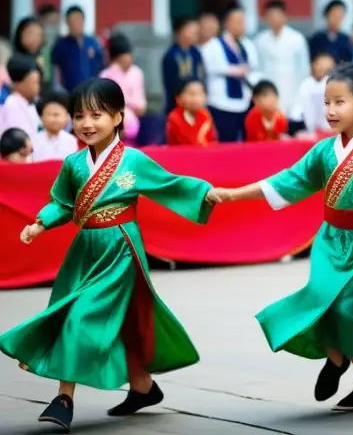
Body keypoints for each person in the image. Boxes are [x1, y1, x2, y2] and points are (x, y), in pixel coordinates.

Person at [0, 78, 222, 432]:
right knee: (121, 322)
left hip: (120, 248)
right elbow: (63, 202)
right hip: (85, 250)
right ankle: (143, 387)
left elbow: (170, 183)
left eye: (97, 114)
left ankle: (64, 398)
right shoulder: (73, 164)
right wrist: (40, 223)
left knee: (81, 317)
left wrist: (205, 193)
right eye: (80, 115)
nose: (87, 123)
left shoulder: (133, 160)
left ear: (119, 117)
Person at [212, 63, 353, 411]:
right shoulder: (323, 152)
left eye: (339, 102)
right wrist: (234, 194)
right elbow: (286, 182)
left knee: (348, 310)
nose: (330, 111)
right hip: (329, 241)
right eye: (327, 102)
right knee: (321, 303)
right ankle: (337, 358)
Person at [201, 3, 259, 143]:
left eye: (243, 21)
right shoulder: (212, 45)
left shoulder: (248, 45)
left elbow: (254, 68)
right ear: (226, 23)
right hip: (220, 103)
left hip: (245, 102)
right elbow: (211, 68)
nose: (241, 25)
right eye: (237, 21)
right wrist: (236, 70)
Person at [254, 0, 310, 121]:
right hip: (269, 91)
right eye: (270, 15)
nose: (274, 19)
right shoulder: (260, 40)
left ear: (285, 16)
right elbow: (257, 68)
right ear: (265, 17)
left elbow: (304, 69)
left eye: (277, 15)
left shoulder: (297, 39)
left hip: (292, 90)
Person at [100, 35, 147, 144]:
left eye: (129, 56)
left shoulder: (136, 72)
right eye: (123, 57)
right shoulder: (106, 75)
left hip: (136, 117)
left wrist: (134, 107)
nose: (128, 60)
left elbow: (140, 101)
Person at [50, 6, 104, 92]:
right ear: (67, 22)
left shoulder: (94, 42)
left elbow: (101, 66)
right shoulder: (60, 45)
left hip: (92, 92)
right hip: (69, 92)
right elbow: (55, 72)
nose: (76, 24)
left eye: (79, 20)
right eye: (73, 21)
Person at [161, 17, 205, 115]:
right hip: (177, 104)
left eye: (196, 31)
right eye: (191, 30)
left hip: (195, 103)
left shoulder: (196, 52)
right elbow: (170, 84)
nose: (195, 34)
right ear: (180, 32)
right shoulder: (171, 55)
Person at [291, 51, 336, 135]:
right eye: (320, 67)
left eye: (328, 69)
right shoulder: (305, 85)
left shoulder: (335, 85)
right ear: (313, 65)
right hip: (309, 130)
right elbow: (296, 113)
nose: (323, 70)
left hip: (331, 130)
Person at [165, 78, 218, 147]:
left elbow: (212, 140)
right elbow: (189, 141)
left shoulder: (206, 115)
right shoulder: (174, 117)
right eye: (191, 94)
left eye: (200, 94)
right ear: (178, 98)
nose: (196, 98)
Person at [0, 54, 42, 137]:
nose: (37, 87)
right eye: (34, 82)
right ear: (18, 83)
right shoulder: (10, 105)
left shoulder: (31, 104)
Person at [31, 92, 77, 162]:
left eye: (56, 114)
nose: (52, 119)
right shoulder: (33, 141)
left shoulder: (72, 141)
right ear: (41, 117)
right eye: (48, 114)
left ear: (67, 117)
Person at [308, 0, 353, 65]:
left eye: (340, 15)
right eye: (334, 14)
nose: (337, 18)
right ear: (326, 15)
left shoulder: (346, 40)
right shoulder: (317, 39)